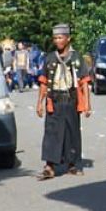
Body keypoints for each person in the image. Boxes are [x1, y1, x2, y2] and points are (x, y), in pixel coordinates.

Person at [36, 24, 91, 179]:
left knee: (72, 132)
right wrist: (39, 103)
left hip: (71, 100)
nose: (57, 41)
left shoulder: (77, 58)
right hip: (54, 101)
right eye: (55, 38)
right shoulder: (50, 58)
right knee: (51, 132)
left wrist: (87, 104)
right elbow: (44, 82)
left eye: (60, 37)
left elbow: (84, 83)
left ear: (68, 38)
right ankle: (49, 166)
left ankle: (72, 164)